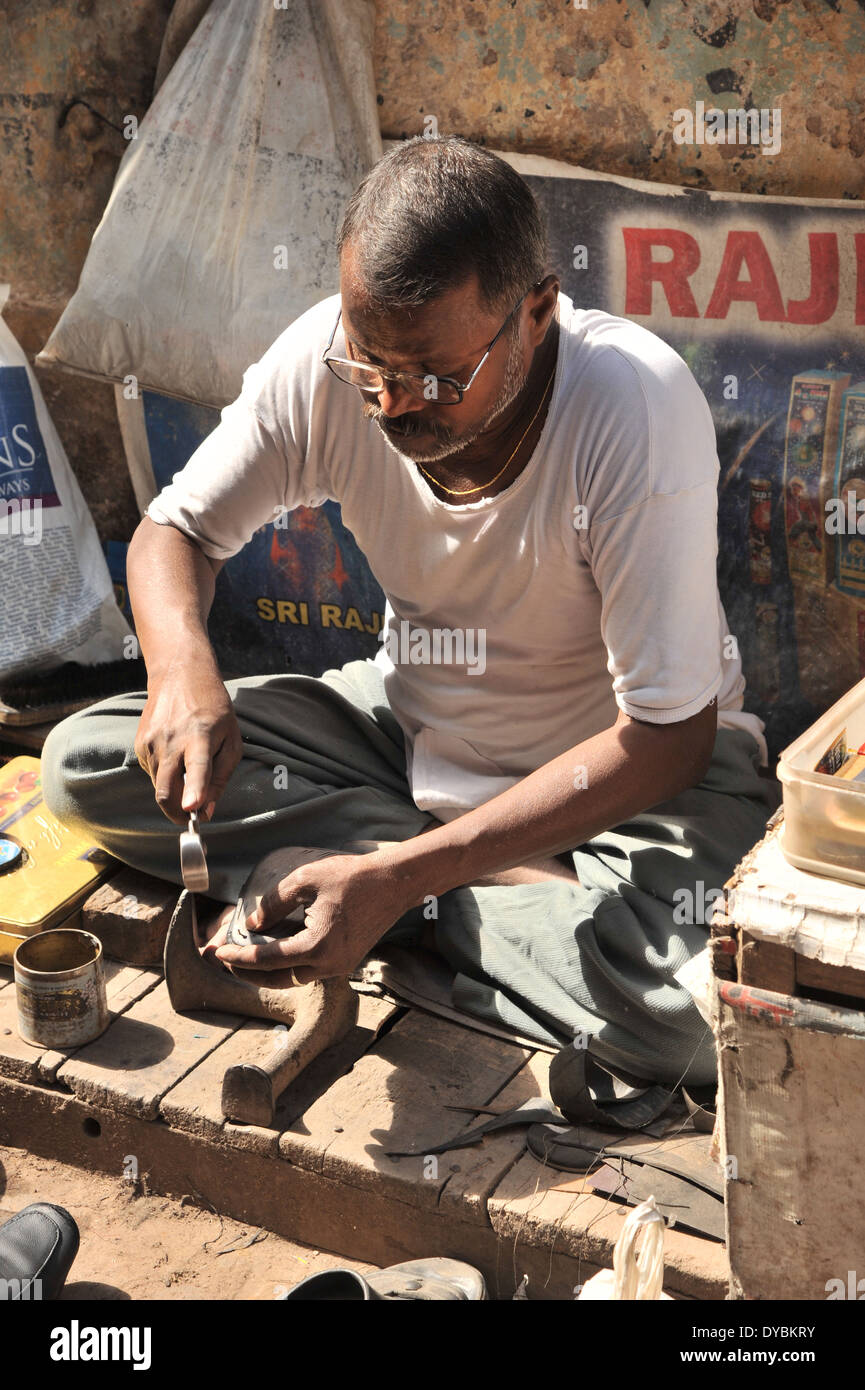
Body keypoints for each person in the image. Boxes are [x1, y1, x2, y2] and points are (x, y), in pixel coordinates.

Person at [41, 136, 776, 1088]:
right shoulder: (328, 362)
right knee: (89, 762)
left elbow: (670, 738)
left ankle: (399, 888)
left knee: (693, 1020)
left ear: (536, 313)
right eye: (369, 363)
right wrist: (181, 672)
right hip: (412, 733)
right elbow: (171, 534)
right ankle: (445, 884)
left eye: (434, 377)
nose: (392, 406)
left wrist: (404, 877)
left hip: (636, 792)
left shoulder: (629, 404)